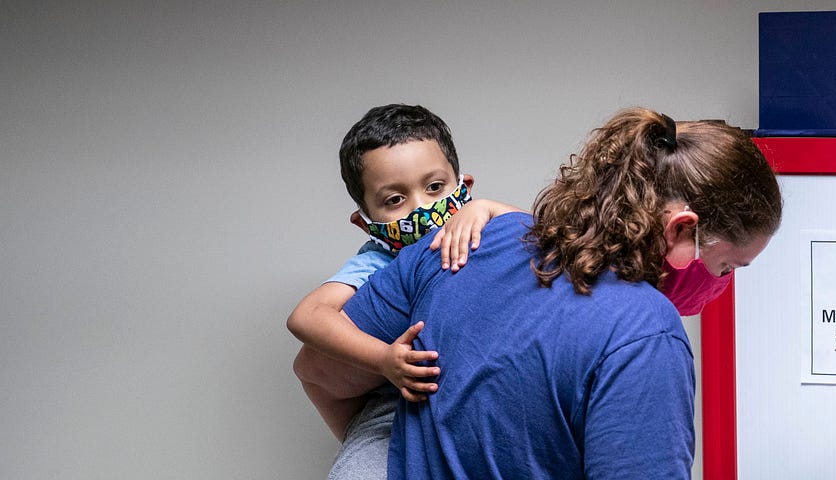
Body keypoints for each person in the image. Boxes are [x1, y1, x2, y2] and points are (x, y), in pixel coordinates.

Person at [293, 107, 782, 479]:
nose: (719, 282)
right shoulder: (645, 333)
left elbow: (315, 369)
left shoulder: (454, 245)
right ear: (680, 230)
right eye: (724, 266)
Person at [287, 104, 523, 480]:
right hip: (394, 399)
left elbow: (542, 237)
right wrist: (383, 359)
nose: (422, 208)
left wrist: (490, 210)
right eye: (395, 200)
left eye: (434, 188)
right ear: (365, 222)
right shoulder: (376, 262)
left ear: (464, 188)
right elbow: (306, 317)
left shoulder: (478, 226)